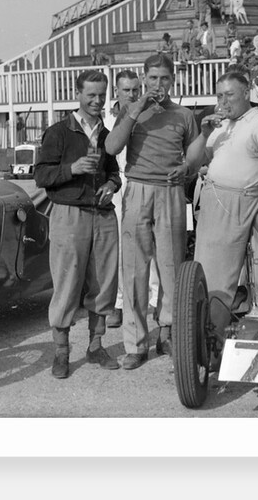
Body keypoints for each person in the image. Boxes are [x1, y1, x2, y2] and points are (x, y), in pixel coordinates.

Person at [105, 53, 200, 368]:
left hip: (171, 193)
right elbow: (111, 147)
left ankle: (167, 332)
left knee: (171, 266)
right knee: (134, 268)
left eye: (164, 79)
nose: (158, 85)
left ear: (172, 80)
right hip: (138, 190)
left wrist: (186, 167)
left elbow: (196, 154)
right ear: (144, 79)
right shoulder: (131, 111)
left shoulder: (184, 115)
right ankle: (135, 344)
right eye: (153, 78)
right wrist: (135, 110)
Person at [185, 72, 258, 361]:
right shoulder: (221, 127)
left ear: (246, 93)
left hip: (237, 202)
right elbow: (191, 164)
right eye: (219, 96)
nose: (223, 101)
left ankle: (208, 349)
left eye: (229, 95)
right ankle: (202, 343)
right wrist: (204, 133)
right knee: (204, 274)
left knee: (218, 278)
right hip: (212, 200)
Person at [34, 70, 121, 378]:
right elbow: (42, 176)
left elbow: (114, 173)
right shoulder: (58, 132)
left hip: (103, 214)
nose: (97, 100)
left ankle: (96, 347)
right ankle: (61, 352)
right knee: (67, 284)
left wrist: (112, 184)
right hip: (69, 214)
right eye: (91, 95)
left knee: (104, 282)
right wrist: (72, 168)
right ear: (78, 94)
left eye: (101, 94)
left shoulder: (106, 132)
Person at [102, 70, 160, 330]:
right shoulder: (106, 120)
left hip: (146, 180)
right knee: (121, 244)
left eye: (136, 89)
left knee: (152, 242)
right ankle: (119, 302)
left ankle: (157, 299)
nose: (132, 95)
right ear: (117, 92)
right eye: (126, 90)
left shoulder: (151, 114)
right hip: (119, 181)